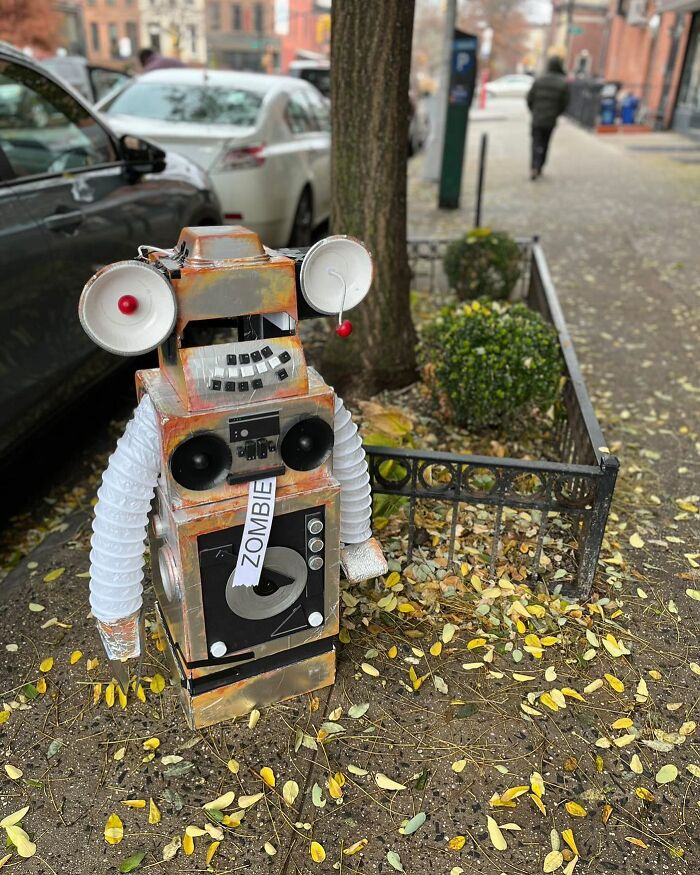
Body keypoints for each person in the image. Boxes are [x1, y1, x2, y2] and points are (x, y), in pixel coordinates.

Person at [526, 57, 570, 180]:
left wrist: (534, 111)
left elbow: (529, 98)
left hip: (537, 117)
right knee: (545, 143)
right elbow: (565, 103)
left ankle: (534, 166)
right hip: (550, 119)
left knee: (536, 142)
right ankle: (540, 166)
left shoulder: (539, 80)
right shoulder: (563, 82)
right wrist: (556, 113)